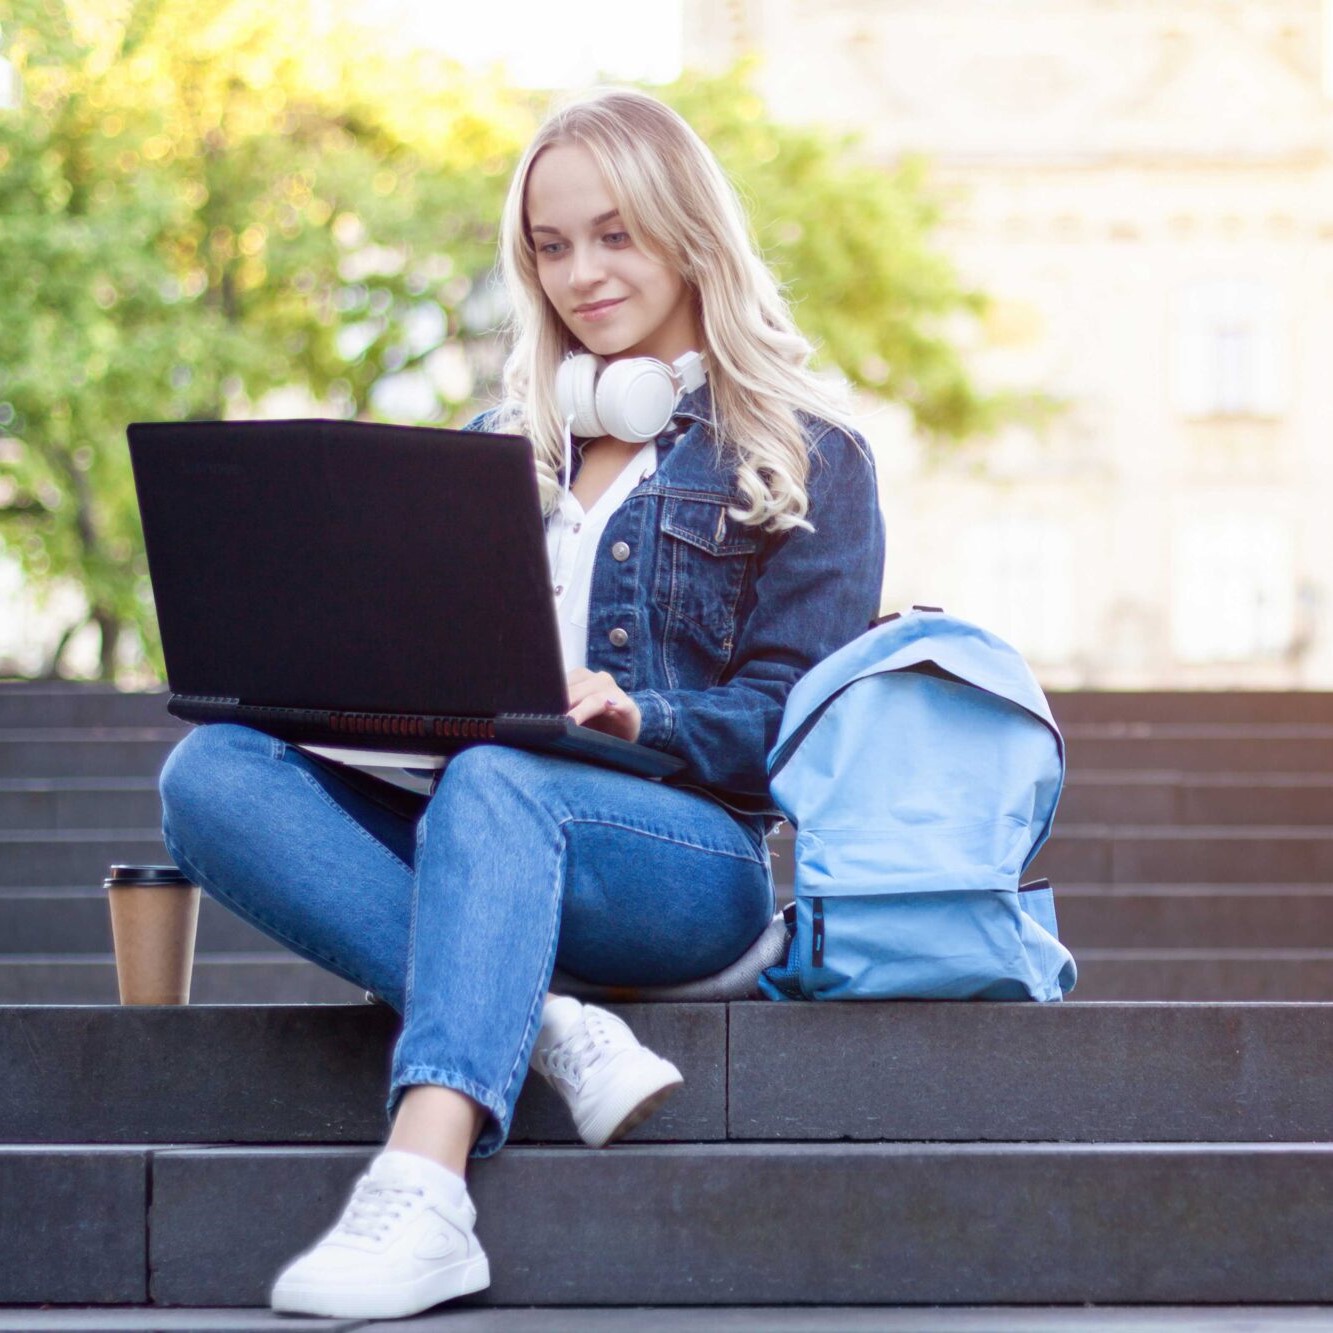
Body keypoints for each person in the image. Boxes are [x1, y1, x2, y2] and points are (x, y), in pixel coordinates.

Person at [157, 86, 885, 1320]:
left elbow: (791, 732)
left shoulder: (806, 453)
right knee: (209, 773)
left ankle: (425, 1188)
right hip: (466, 825)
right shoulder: (497, 445)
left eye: (614, 234)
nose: (580, 274)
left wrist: (635, 714)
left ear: (688, 231)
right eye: (551, 247)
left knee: (504, 776)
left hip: (684, 861)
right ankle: (547, 1021)